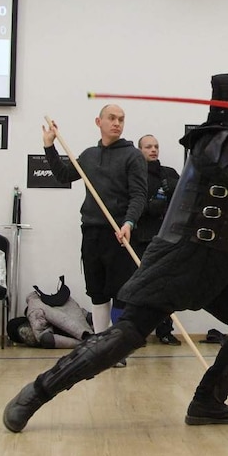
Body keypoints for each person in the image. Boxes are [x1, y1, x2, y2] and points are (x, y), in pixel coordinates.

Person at [3, 70, 228, 432]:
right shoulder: (216, 140)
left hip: (220, 260)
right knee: (128, 334)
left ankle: (208, 402)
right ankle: (34, 393)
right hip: (183, 255)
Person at [42, 103, 147, 367]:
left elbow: (139, 195)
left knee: (121, 293)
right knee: (97, 292)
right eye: (111, 118)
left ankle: (117, 350)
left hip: (119, 233)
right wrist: (49, 145)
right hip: (91, 232)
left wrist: (129, 222)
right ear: (98, 122)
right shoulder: (89, 156)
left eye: (121, 119)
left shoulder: (133, 155)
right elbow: (62, 174)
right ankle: (101, 348)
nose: (117, 123)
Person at [133, 134, 182, 346]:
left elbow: (185, 199)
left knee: (165, 287)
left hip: (167, 239)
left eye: (156, 146)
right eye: (148, 147)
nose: (153, 150)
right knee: (140, 287)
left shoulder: (169, 174)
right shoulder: (135, 175)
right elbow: (130, 203)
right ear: (140, 150)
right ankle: (137, 332)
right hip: (142, 238)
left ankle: (165, 331)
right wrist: (148, 207)